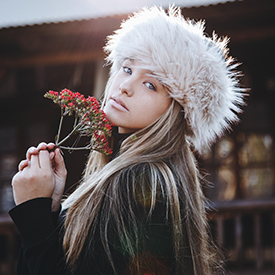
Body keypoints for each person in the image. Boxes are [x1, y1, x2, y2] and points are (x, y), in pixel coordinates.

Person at [9, 6, 245, 275]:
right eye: (127, 68)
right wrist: (49, 209)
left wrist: (33, 213)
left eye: (151, 85)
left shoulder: (143, 182)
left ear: (176, 110)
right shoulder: (124, 171)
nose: (125, 85)